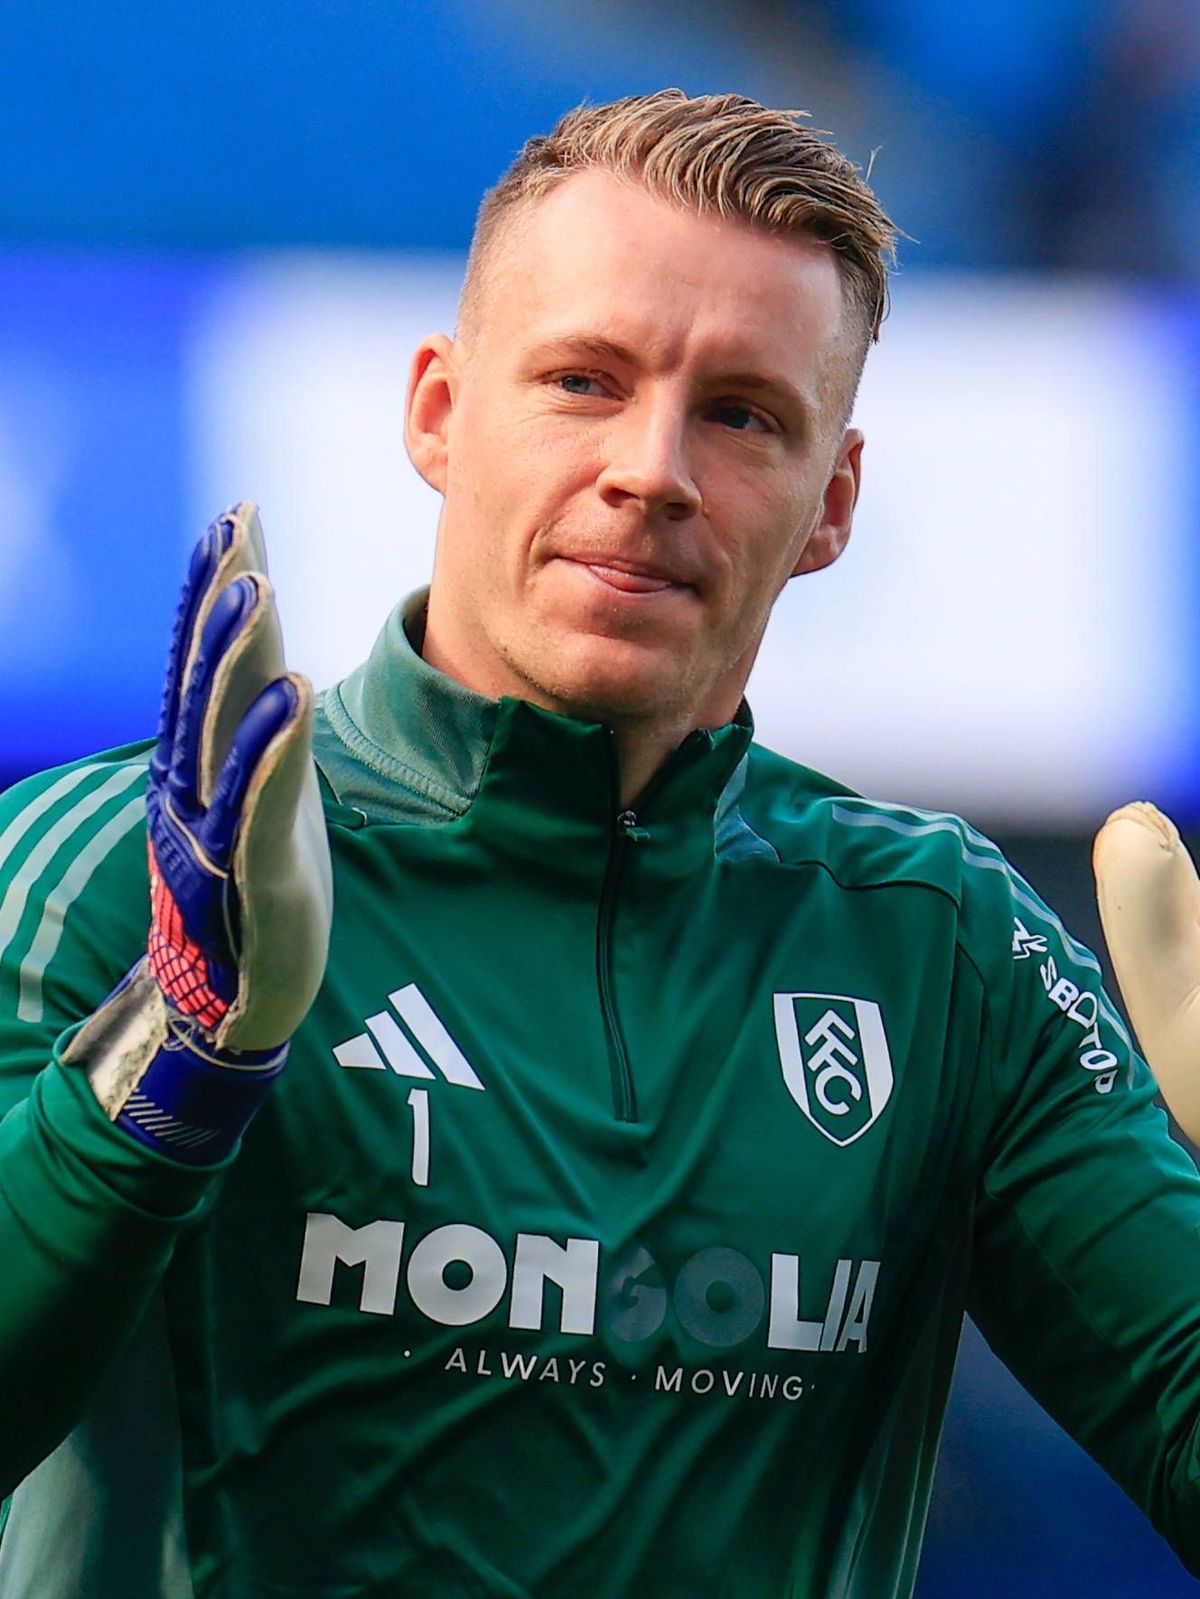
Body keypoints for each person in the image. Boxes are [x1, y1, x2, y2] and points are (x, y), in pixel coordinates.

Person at [2, 87, 1200, 1599]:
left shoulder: (947, 946)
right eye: (583, 379)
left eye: (742, 414)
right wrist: (172, 1053)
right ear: (440, 410)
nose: (653, 469)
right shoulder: (104, 869)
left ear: (831, 501)